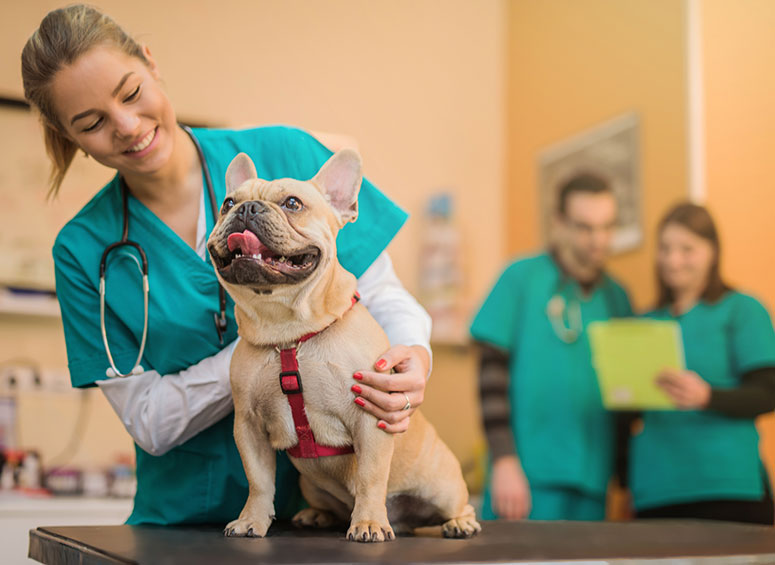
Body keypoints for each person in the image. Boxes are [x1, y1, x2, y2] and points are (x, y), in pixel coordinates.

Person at [21, 5, 432, 525]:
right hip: (184, 522)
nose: (127, 126)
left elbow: (383, 295)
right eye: (92, 123)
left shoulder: (284, 152)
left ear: (150, 62)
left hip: (331, 508)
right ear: (68, 136)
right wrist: (271, 346)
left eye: (130, 93)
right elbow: (150, 422)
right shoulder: (83, 250)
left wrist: (413, 356)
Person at [470, 173, 632, 521]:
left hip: (592, 480)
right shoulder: (521, 278)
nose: (598, 239)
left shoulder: (617, 298)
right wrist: (504, 461)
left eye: (606, 227)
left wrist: (623, 477)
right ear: (558, 223)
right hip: (525, 480)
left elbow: (624, 397)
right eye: (585, 227)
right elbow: (491, 376)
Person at [627, 202, 775, 524]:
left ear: (712, 252)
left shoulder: (743, 310)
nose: (673, 260)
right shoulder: (642, 322)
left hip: (728, 488)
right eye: (665, 249)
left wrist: (707, 397)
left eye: (687, 249)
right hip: (657, 490)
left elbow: (768, 392)